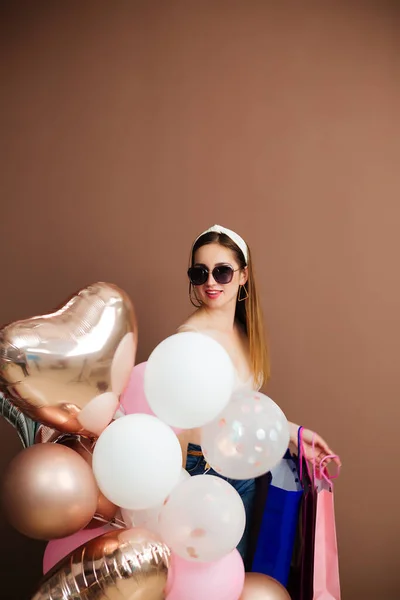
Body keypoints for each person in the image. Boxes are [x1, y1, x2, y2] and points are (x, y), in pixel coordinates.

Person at [177, 224, 340, 561]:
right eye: (200, 272)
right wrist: (179, 491)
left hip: (240, 469)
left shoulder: (245, 333)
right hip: (200, 470)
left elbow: (240, 408)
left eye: (222, 271)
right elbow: (176, 422)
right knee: (203, 577)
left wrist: (294, 435)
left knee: (233, 573)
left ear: (243, 276)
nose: (211, 281)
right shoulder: (189, 338)